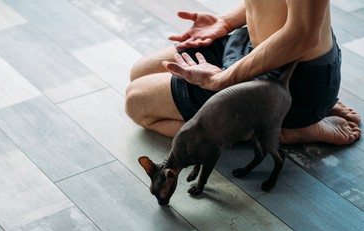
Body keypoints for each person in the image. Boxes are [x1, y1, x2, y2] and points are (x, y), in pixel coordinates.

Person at [125, 0, 361, 145]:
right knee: (140, 71)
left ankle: (287, 129)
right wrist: (225, 22)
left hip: (290, 81)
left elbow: (303, 34)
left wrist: (223, 79)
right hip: (252, 46)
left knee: (137, 103)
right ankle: (298, 115)